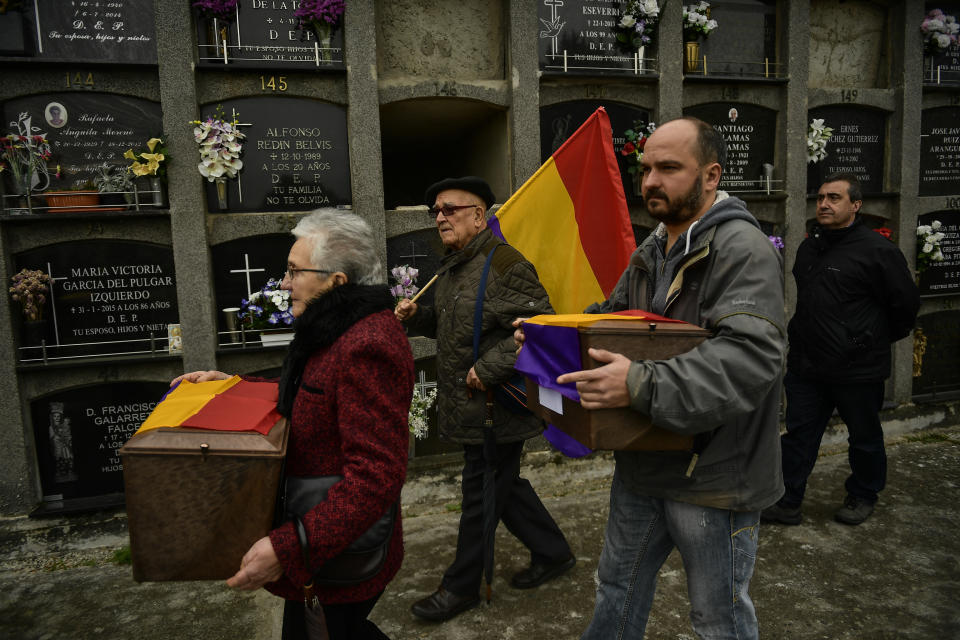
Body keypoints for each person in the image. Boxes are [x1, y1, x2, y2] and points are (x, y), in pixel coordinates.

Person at [518, 117, 785, 639]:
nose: (650, 183)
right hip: (643, 465)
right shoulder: (653, 247)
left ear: (711, 176)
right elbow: (611, 318)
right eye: (644, 169)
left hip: (713, 479)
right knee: (615, 591)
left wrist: (639, 385)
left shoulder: (742, 250)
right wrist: (550, 340)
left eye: (668, 168)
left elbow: (751, 358)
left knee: (718, 619)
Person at [172, 209, 414, 640]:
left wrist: (287, 547)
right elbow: (316, 393)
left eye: (294, 271)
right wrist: (233, 387)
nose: (284, 284)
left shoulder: (368, 344)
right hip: (321, 547)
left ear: (336, 281)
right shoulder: (334, 327)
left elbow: (376, 478)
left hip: (337, 554)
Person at [395, 176, 575, 622]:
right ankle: (553, 553)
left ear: (480, 215)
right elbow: (454, 328)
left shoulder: (505, 265)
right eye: (435, 211)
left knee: (479, 493)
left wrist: (490, 367)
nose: (440, 218)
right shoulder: (454, 266)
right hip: (472, 406)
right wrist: (421, 317)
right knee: (503, 485)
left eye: (450, 209)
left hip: (498, 407)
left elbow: (539, 326)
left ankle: (460, 588)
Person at [762, 173, 920, 527]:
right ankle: (788, 501)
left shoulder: (878, 252)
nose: (824, 204)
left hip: (857, 368)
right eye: (820, 198)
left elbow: (905, 306)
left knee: (864, 438)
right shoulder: (809, 248)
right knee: (799, 435)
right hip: (808, 365)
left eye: (834, 198)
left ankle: (863, 494)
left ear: (856, 205)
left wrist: (867, 341)